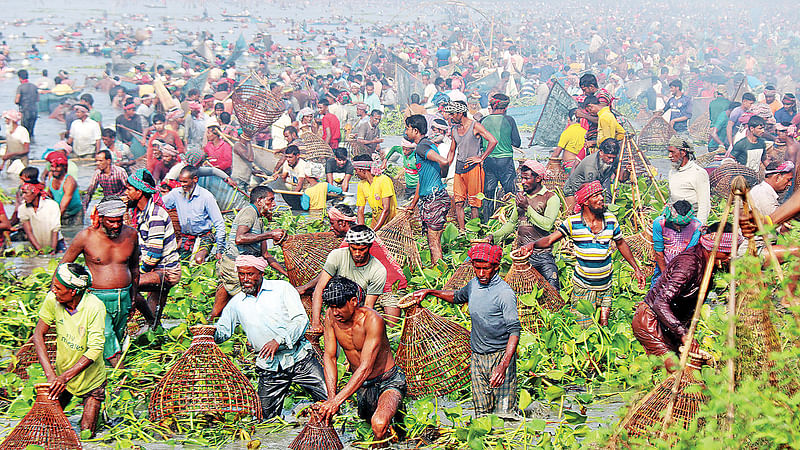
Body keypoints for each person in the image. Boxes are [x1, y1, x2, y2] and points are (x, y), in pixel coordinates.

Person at [411, 242, 520, 417]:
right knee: (481, 413)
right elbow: (456, 297)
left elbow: (514, 332)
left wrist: (503, 365)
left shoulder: (504, 293)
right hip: (477, 357)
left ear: (496, 267)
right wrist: (431, 291)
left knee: (504, 415)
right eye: (478, 268)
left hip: (500, 355)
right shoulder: (473, 285)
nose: (482, 274)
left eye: (486, 268)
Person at [215, 255, 327, 419]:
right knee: (265, 418)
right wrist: (208, 332)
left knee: (330, 400)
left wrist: (279, 340)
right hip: (269, 366)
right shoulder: (237, 302)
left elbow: (300, 320)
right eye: (241, 274)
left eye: (250, 274)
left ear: (261, 273)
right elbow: (223, 330)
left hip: (300, 358)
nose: (245, 279)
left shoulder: (282, 288)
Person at [522, 181, 645, 326]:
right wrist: (532, 244)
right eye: (596, 196)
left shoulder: (610, 220)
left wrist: (637, 269)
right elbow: (549, 240)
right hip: (583, 284)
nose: (601, 199)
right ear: (586, 201)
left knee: (604, 324)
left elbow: (621, 243)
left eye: (601, 195)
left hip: (605, 284)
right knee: (584, 327)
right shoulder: (572, 223)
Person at [632, 225, 738, 372]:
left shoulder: (710, 262)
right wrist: (683, 333)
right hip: (651, 322)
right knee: (675, 371)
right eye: (726, 254)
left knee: (686, 369)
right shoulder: (689, 264)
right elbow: (660, 303)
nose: (728, 258)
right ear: (713, 247)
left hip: (672, 325)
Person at [314, 276, 406, 442]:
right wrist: (331, 397)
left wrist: (337, 402)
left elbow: (365, 367)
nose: (335, 312)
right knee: (375, 430)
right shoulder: (331, 316)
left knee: (378, 424)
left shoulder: (372, 320)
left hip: (388, 380)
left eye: (340, 306)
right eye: (332, 307)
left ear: (354, 301)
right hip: (363, 386)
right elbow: (330, 357)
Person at [61, 197, 139, 367]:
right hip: (96, 299)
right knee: (106, 336)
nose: (116, 225)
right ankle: (121, 372)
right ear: (101, 218)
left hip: (123, 297)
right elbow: (63, 267)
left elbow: (134, 268)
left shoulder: (131, 234)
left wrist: (133, 297)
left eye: (119, 221)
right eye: (111, 221)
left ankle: (107, 381)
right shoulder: (85, 237)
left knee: (116, 336)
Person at [32, 263, 106, 435]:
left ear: (73, 291)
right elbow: (38, 335)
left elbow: (95, 349)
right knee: (46, 426)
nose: (54, 291)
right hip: (61, 375)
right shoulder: (53, 299)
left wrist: (65, 377)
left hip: (91, 380)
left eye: (58, 288)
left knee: (87, 433)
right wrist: (51, 375)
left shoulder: (94, 307)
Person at [214, 186, 287, 318]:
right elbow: (240, 238)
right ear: (259, 200)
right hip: (235, 266)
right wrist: (270, 235)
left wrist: (286, 273)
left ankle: (211, 324)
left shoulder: (259, 219)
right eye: (270, 200)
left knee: (221, 307)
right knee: (249, 305)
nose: (274, 204)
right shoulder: (249, 213)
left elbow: (266, 255)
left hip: (240, 266)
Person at [310, 226, 397, 333]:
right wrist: (316, 323)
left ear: (369, 246)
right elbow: (319, 289)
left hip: (358, 305)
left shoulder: (378, 270)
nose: (357, 253)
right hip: (337, 303)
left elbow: (368, 305)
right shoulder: (336, 256)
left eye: (361, 249)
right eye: (353, 248)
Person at [124, 169, 180, 327]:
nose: (126, 193)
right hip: (155, 270)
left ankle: (146, 318)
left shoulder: (155, 215)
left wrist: (136, 274)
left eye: (129, 189)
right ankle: (154, 327)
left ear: (139, 192)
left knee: (127, 284)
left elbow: (154, 254)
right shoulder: (142, 214)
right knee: (154, 323)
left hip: (166, 271)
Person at [493, 160, 561, 288]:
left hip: (543, 254)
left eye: (526, 178)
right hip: (523, 254)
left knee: (552, 289)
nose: (522, 182)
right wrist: (493, 237)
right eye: (522, 178)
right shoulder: (521, 197)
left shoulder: (550, 197)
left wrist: (526, 207)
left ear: (538, 178)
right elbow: (512, 223)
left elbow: (547, 225)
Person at [405, 114, 456, 265]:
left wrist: (444, 173)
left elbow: (444, 161)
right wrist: (413, 204)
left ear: (415, 131)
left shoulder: (422, 147)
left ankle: (440, 277)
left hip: (435, 199)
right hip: (430, 198)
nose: (406, 132)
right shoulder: (427, 144)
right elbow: (422, 180)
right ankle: (437, 269)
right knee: (431, 239)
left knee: (434, 243)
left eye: (407, 128)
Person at [444, 100, 498, 230]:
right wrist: (443, 169)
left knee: (474, 204)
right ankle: (463, 230)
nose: (450, 117)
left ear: (460, 113)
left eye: (452, 114)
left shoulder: (475, 126)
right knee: (458, 202)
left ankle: (474, 231)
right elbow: (452, 151)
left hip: (473, 169)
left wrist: (481, 157)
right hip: (459, 169)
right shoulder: (454, 130)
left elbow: (493, 140)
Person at [163, 165, 226, 265]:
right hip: (185, 237)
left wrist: (219, 249)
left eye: (185, 182)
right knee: (180, 263)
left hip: (204, 236)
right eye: (181, 181)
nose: (182, 185)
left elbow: (219, 223)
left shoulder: (206, 197)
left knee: (199, 259)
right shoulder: (176, 193)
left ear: (195, 179)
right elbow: (161, 205)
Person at [479, 93, 521, 221]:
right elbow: (517, 142)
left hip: (489, 160)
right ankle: (511, 220)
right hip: (505, 160)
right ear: (506, 107)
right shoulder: (509, 120)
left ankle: (487, 222)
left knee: (488, 193)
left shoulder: (483, 120)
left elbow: (480, 143)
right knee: (510, 192)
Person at [563, 138, 624, 212]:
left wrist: (627, 170)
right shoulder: (590, 165)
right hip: (573, 190)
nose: (611, 160)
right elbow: (591, 191)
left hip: (594, 186)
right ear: (601, 153)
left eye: (613, 158)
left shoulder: (613, 160)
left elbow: (621, 178)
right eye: (609, 157)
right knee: (574, 215)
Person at [650, 200, 702, 286]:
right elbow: (658, 251)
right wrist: (664, 274)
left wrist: (680, 274)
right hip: (664, 263)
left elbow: (689, 253)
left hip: (683, 265)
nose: (678, 228)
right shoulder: (659, 223)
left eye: (682, 226)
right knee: (656, 290)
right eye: (676, 224)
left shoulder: (696, 226)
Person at [667, 136, 711, 224]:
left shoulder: (698, 173)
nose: (669, 156)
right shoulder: (672, 172)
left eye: (672, 152)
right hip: (674, 219)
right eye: (669, 152)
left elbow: (704, 204)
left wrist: (699, 226)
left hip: (691, 220)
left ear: (683, 153)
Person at [18, 181, 65, 253]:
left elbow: (55, 230)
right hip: (35, 245)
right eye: (22, 193)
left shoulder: (52, 205)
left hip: (56, 243)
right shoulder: (23, 208)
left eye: (26, 193)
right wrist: (39, 249)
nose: (23, 196)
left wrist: (53, 250)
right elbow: (29, 232)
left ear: (35, 193)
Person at [354, 155, 397, 231]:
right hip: (376, 222)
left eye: (356, 170)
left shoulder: (384, 180)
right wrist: (361, 230)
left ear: (362, 170)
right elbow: (360, 210)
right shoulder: (361, 184)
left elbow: (386, 209)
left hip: (391, 223)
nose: (355, 173)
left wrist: (374, 231)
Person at [45, 151, 83, 226]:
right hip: (59, 211)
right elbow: (50, 196)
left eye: (57, 167)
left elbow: (63, 206)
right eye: (52, 166)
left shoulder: (69, 181)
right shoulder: (51, 176)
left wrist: (53, 221)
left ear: (64, 167)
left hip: (74, 213)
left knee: (73, 233)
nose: (54, 169)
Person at [551, 108, 586, 172]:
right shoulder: (585, 132)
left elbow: (557, 153)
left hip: (569, 166)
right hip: (581, 165)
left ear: (568, 119)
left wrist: (548, 166)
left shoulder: (567, 132)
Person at [15, 69, 38, 137]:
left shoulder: (20, 87)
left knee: (24, 133)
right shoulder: (34, 86)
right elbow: (37, 99)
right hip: (34, 111)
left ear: (19, 78)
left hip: (25, 111)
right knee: (31, 132)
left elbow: (17, 100)